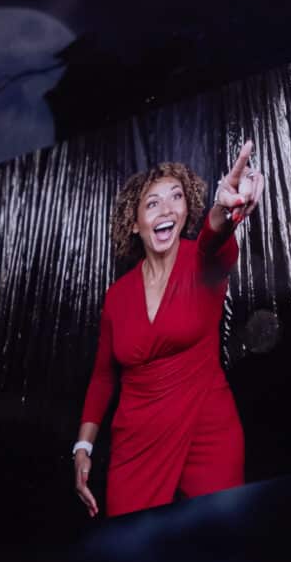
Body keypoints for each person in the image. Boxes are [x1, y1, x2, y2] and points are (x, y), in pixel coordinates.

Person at [73, 141, 264, 517]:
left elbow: (216, 238)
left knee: (224, 541)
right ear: (134, 224)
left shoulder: (204, 261)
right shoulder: (117, 296)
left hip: (207, 431)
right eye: (152, 203)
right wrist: (83, 447)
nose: (167, 209)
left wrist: (225, 210)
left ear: (187, 209)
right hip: (136, 442)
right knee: (133, 548)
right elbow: (102, 376)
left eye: (176, 197)